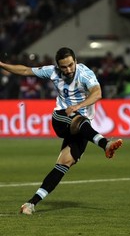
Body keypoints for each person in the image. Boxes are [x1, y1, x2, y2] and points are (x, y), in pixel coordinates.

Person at [0, 47, 123, 215]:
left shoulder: (85, 74)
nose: (68, 69)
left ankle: (31, 204)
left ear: (76, 61)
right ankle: (105, 144)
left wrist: (79, 106)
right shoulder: (52, 71)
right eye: (64, 67)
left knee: (64, 163)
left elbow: (97, 93)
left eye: (71, 65)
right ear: (58, 66)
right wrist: (1, 64)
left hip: (82, 126)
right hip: (61, 118)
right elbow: (25, 70)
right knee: (77, 118)